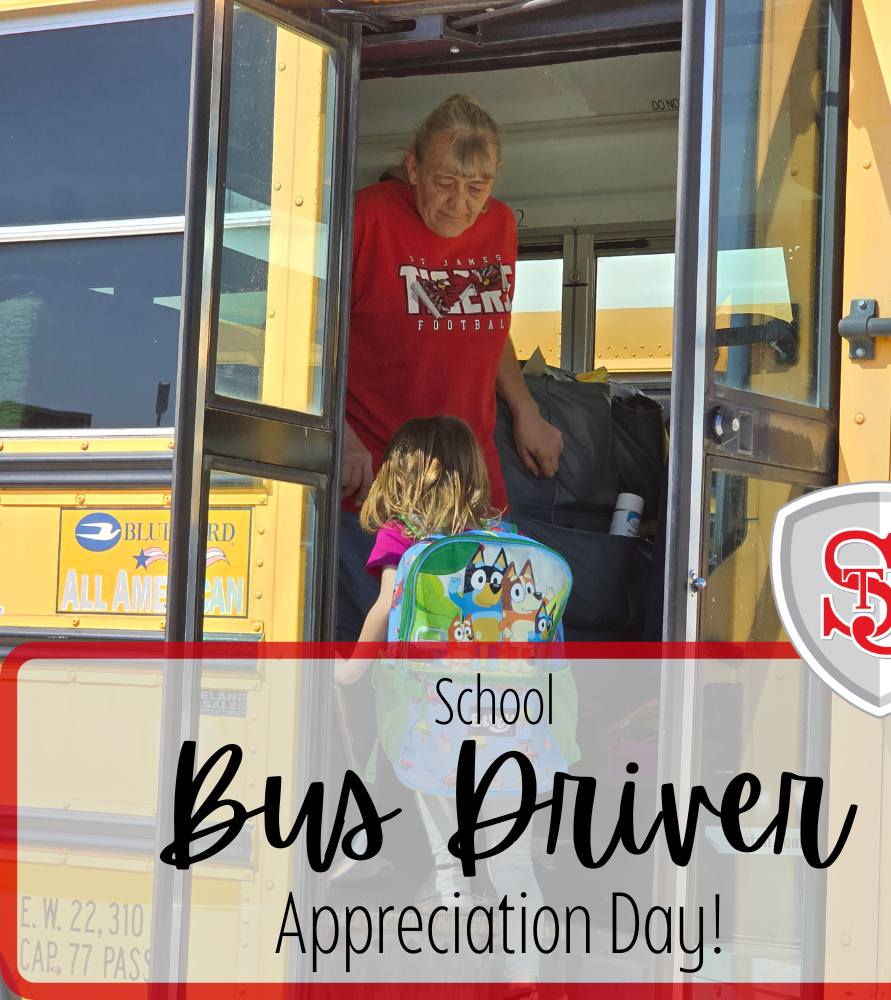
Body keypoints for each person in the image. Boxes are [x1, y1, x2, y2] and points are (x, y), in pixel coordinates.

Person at [337, 93, 564, 643]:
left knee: (482, 646)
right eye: (443, 182)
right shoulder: (366, 217)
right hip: (380, 483)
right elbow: (305, 333)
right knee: (384, 650)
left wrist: (526, 408)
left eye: (477, 187)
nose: (460, 203)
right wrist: (338, 435)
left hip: (473, 480)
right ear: (413, 166)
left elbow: (484, 321)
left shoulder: (501, 226)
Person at [335, 415, 543, 986]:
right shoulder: (503, 540)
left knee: (450, 857)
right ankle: (528, 975)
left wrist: (348, 672)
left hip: (434, 729)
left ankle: (454, 966)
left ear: (401, 476)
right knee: (513, 858)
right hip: (505, 725)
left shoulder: (402, 542)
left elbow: (383, 611)